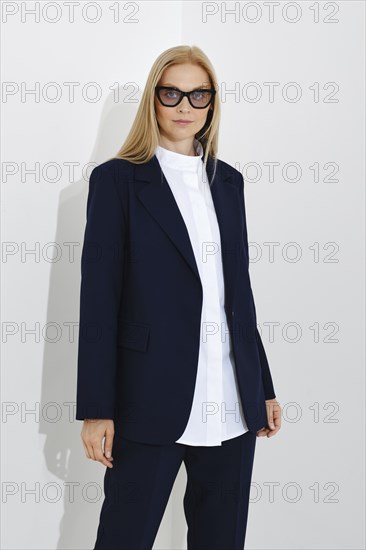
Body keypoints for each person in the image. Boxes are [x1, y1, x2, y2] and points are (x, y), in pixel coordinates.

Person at [76, 44, 281, 550]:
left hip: (231, 399)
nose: (185, 105)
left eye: (198, 94)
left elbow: (238, 293)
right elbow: (98, 299)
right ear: (154, 99)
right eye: (172, 93)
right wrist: (97, 408)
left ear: (212, 103)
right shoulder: (117, 180)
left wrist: (264, 386)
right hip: (148, 398)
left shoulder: (227, 182)